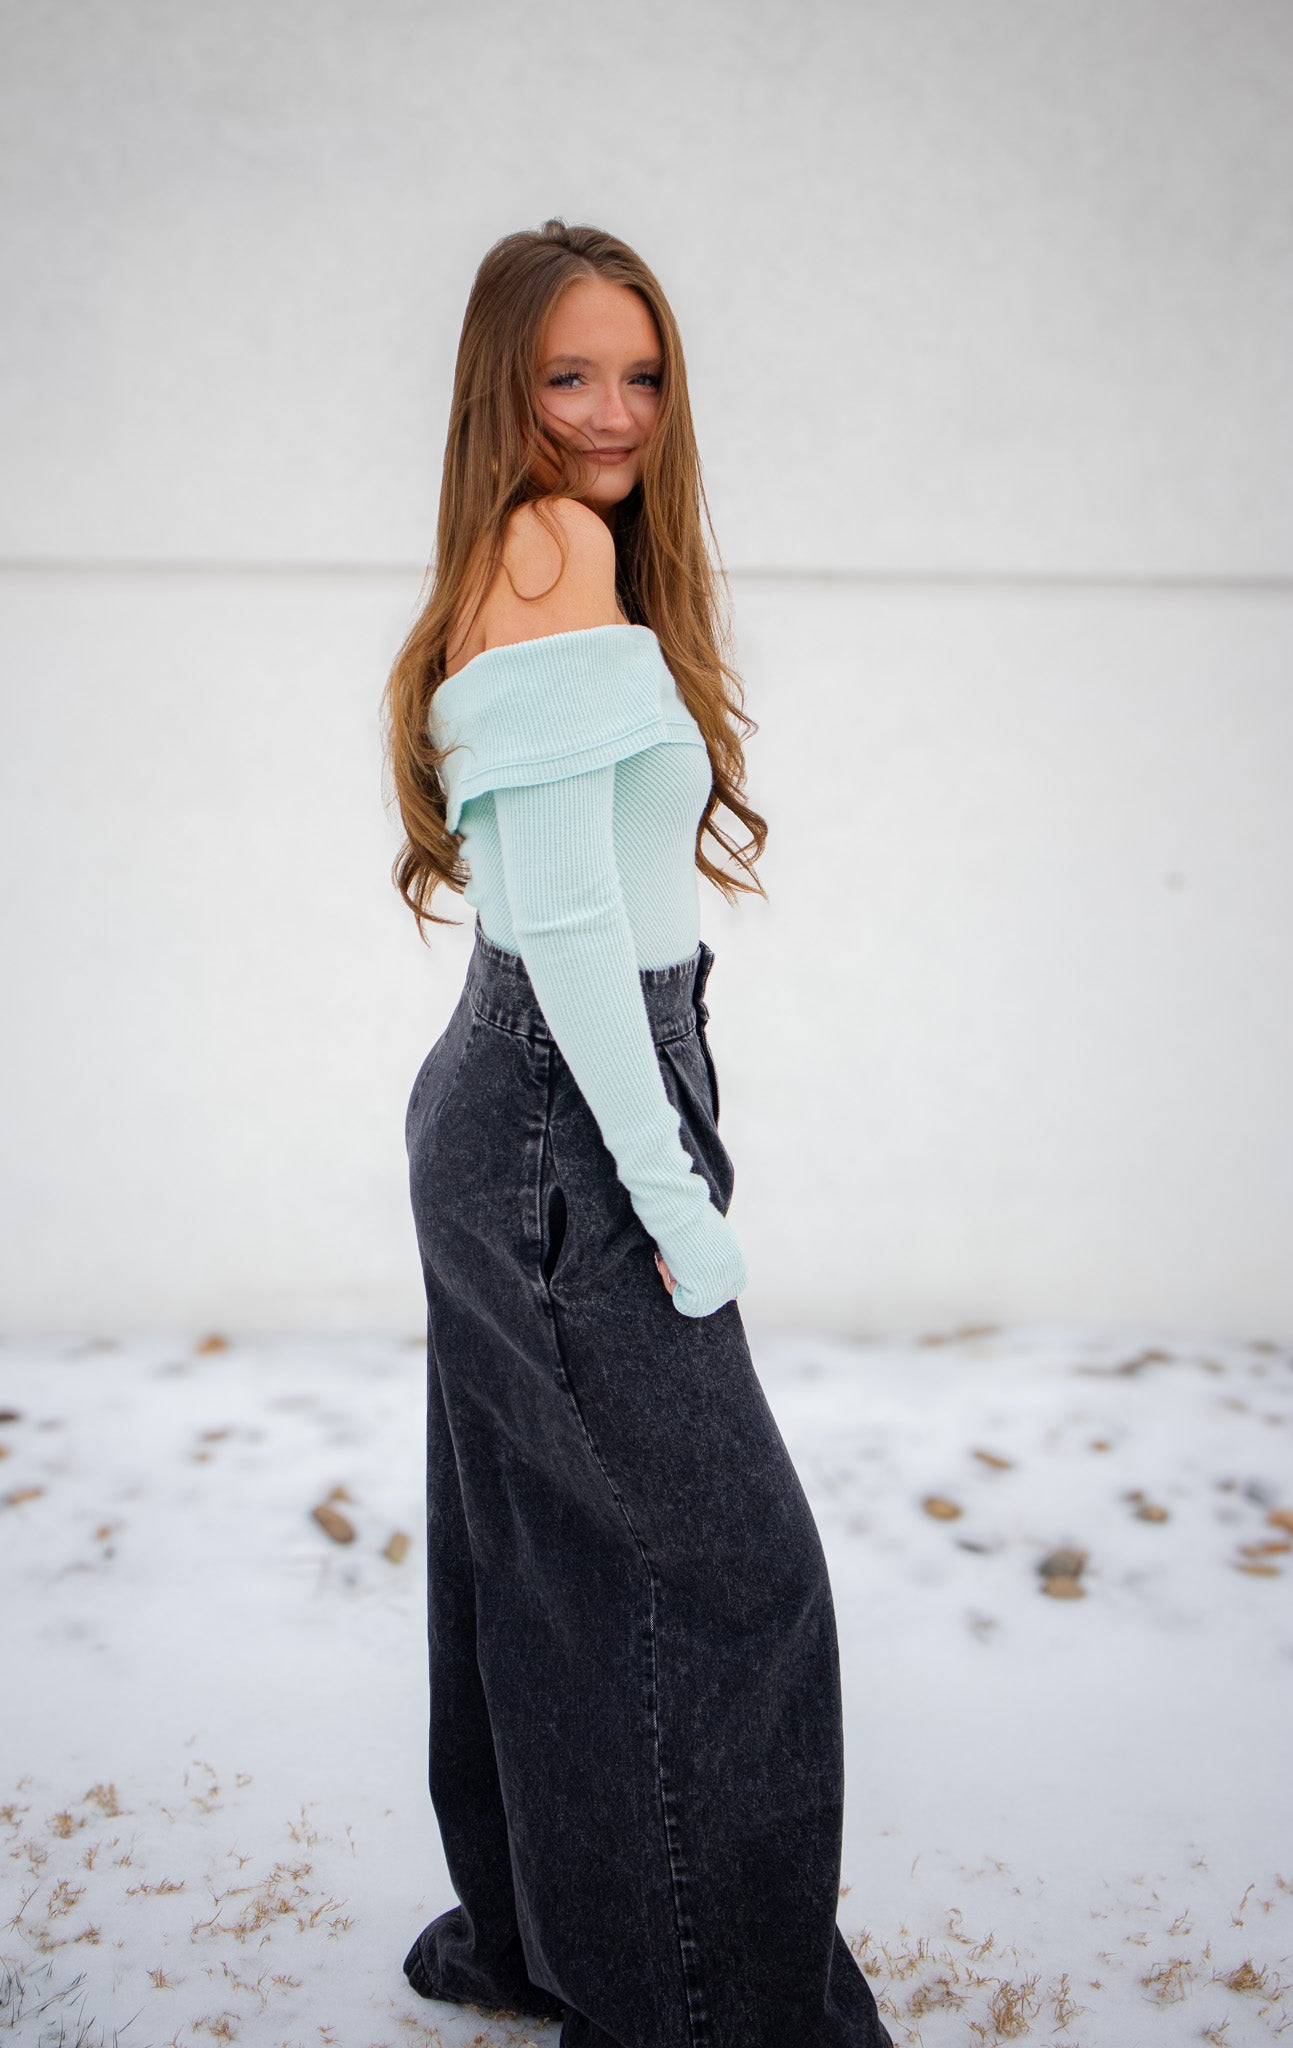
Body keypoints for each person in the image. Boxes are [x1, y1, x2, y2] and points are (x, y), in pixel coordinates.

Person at [380, 218, 893, 2048]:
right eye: (568, 375)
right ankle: (713, 2013)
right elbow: (573, 928)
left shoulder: (556, 551)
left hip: (542, 1104)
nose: (613, 413)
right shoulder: (550, 545)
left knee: (542, 1550)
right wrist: (673, 1195)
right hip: (568, 1113)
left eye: (644, 372)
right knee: (735, 1581)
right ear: (501, 393)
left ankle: (536, 1936)